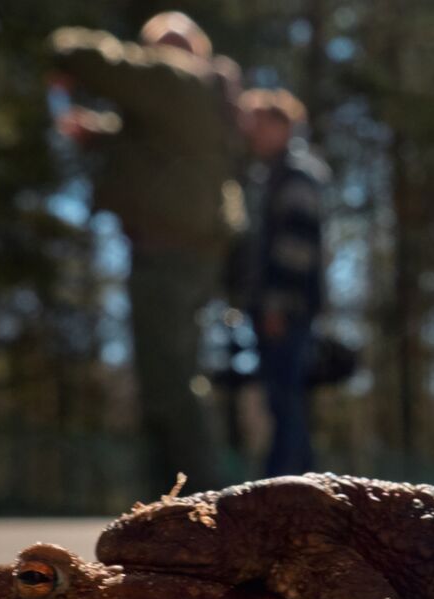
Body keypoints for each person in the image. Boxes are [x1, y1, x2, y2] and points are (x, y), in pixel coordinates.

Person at [48, 11, 243, 492]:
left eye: (166, 47)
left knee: (168, 379)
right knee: (169, 372)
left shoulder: (176, 78)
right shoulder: (203, 97)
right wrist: (101, 135)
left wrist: (62, 48)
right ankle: (174, 496)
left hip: (168, 252)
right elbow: (155, 143)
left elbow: (90, 57)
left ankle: (195, 498)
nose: (159, 57)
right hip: (190, 249)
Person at [237, 88, 329, 477]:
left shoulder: (296, 174)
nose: (251, 134)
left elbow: (298, 246)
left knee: (285, 399)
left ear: (280, 125)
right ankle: (297, 485)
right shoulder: (273, 175)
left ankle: (288, 484)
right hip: (277, 304)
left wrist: (276, 303)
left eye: (257, 125)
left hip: (286, 306)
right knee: (282, 399)